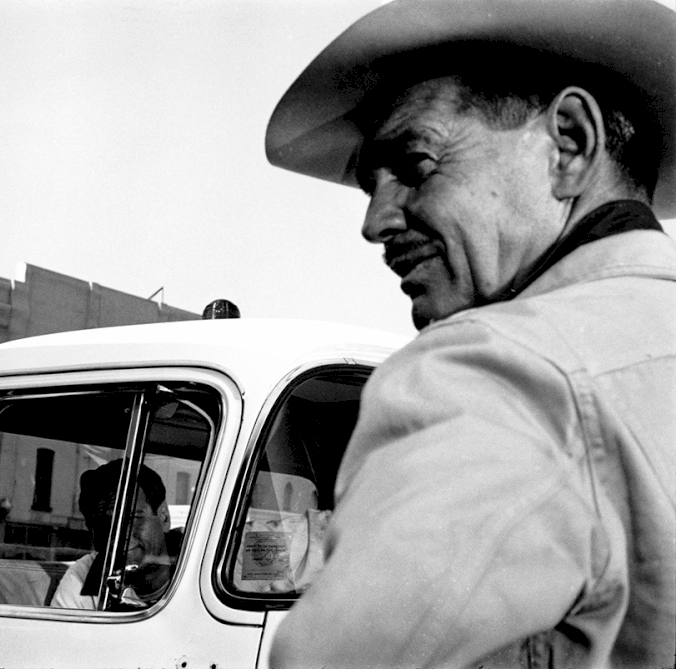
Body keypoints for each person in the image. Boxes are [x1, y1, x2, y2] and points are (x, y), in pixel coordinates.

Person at [264, 0, 675, 667]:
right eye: (371, 184)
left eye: (416, 162)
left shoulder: (496, 372)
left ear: (569, 143)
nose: (374, 222)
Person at [51, 460, 182, 610]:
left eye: (133, 517)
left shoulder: (201, 562)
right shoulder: (84, 578)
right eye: (104, 523)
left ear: (163, 518)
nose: (119, 534)